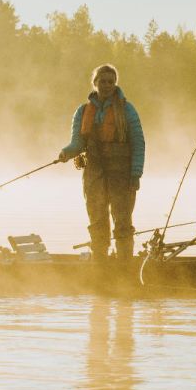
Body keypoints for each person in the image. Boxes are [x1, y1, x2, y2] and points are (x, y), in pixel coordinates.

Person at [57, 64, 146, 261]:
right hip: (93, 173)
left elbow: (138, 143)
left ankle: (124, 265)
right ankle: (100, 264)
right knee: (97, 220)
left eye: (111, 82)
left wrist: (136, 173)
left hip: (122, 174)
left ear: (115, 84)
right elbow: (77, 143)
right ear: (95, 83)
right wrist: (66, 153)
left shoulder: (127, 110)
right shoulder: (82, 111)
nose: (107, 85)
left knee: (122, 221)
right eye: (102, 81)